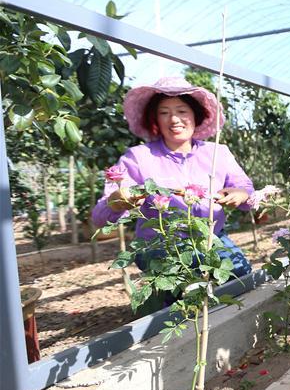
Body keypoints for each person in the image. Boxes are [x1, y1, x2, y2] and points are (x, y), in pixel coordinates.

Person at [92, 76, 256, 314]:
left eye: (182, 110)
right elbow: (100, 216)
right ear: (154, 118)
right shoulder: (138, 157)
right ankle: (172, 325)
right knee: (181, 292)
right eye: (164, 112)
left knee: (239, 278)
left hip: (211, 237)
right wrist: (119, 200)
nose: (175, 119)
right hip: (160, 245)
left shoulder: (217, 154)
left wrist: (240, 194)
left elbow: (245, 190)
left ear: (196, 115)